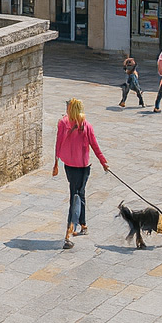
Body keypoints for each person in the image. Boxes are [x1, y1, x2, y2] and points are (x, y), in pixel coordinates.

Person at [52, 97, 108, 249]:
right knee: (76, 195)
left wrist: (56, 163)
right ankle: (71, 228)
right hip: (83, 167)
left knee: (79, 193)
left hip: (69, 166)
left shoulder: (63, 124)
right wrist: (103, 161)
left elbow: (58, 144)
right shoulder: (86, 126)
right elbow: (94, 145)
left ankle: (83, 224)